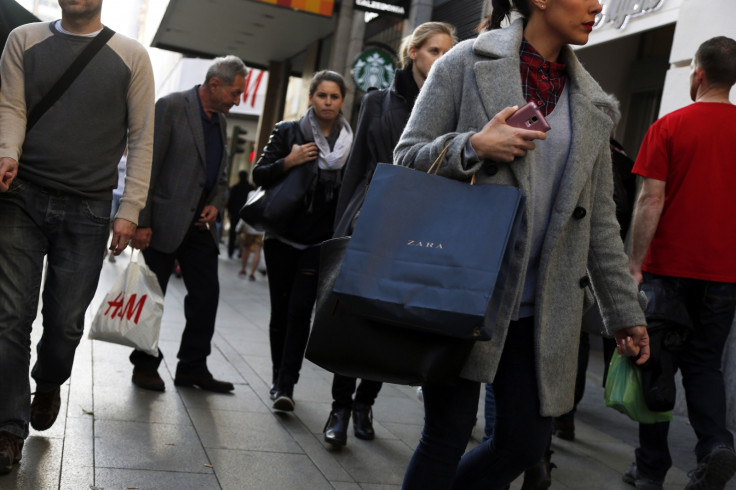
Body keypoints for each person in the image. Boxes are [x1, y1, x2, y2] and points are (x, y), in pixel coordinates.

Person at [393, 1, 650, 488]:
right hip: (465, 291)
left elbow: (598, 224)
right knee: (446, 434)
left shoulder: (592, 103)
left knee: (524, 444)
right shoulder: (464, 63)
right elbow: (404, 159)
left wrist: (625, 313)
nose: (598, 5)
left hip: (543, 307)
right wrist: (473, 146)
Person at [0, 0, 154, 475]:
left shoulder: (131, 55)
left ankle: (47, 382)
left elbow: (143, 137)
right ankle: (8, 428)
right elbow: (11, 106)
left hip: (88, 207)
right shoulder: (23, 40)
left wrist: (129, 210)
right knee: (9, 317)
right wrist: (7, 152)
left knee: (65, 322)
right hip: (21, 196)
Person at [323, 21, 456, 448]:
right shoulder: (378, 102)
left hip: (422, 225)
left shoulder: (451, 106)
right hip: (374, 215)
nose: (442, 59)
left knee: (394, 319)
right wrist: (341, 226)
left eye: (448, 53)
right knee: (356, 312)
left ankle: (366, 403)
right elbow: (357, 165)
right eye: (435, 50)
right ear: (413, 52)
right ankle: (340, 406)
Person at [624, 36, 736, 490]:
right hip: (724, 275)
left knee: (657, 366)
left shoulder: (669, 126)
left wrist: (633, 264)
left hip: (667, 270)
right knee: (705, 366)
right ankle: (715, 446)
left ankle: (650, 470)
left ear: (699, 73)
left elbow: (651, 200)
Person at [129, 55, 247, 394]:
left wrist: (215, 202)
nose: (237, 100)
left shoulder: (221, 122)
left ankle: (192, 368)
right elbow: (147, 165)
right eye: (234, 93)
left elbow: (220, 176)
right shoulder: (171, 107)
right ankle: (145, 366)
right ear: (214, 85)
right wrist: (143, 220)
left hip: (199, 225)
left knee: (206, 295)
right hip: (163, 221)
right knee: (152, 297)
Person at [253, 70, 353, 412]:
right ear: (311, 97)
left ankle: (286, 385)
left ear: (342, 101)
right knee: (281, 311)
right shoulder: (287, 131)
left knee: (300, 311)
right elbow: (259, 174)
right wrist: (290, 160)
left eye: (334, 96)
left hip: (319, 244)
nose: (327, 102)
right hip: (282, 236)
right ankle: (277, 373)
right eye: (322, 95)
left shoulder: (348, 143)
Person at [107, 150, 128, 263]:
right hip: (114, 193)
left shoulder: (132, 157)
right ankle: (104, 247)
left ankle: (112, 252)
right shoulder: (117, 154)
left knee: (118, 226)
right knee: (108, 222)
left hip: (124, 195)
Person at [226, 170, 254, 258]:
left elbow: (230, 201)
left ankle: (230, 251)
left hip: (234, 213)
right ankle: (241, 252)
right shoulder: (251, 188)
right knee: (244, 234)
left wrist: (229, 212)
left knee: (232, 233)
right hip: (246, 214)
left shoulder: (235, 187)